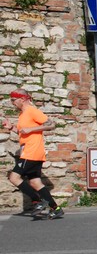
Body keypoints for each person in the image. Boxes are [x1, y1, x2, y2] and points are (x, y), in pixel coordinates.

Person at [3, 89, 64, 219]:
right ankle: (56, 208)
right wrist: (12, 128)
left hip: (31, 151)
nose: (12, 103)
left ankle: (38, 200)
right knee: (35, 183)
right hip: (31, 151)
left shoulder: (31, 111)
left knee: (14, 177)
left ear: (22, 99)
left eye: (13, 100)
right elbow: (24, 133)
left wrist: (32, 128)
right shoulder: (22, 114)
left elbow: (51, 124)